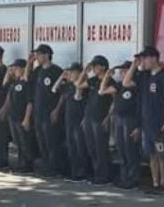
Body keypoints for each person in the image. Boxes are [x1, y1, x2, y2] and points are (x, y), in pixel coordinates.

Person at [123, 46, 164, 195]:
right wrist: (134, 65)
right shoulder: (144, 76)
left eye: (144, 58)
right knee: (152, 154)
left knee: (162, 154)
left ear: (153, 58)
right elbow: (126, 83)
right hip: (147, 123)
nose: (142, 61)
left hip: (159, 123)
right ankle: (155, 183)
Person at [102, 59, 141, 190]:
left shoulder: (135, 84)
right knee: (121, 150)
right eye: (122, 70)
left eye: (125, 70)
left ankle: (133, 179)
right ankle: (124, 178)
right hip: (118, 119)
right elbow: (102, 91)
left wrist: (138, 127)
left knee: (130, 150)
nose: (122, 72)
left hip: (130, 120)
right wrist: (107, 76)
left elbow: (127, 82)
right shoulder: (119, 85)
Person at [27, 44, 65, 176]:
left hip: (50, 112)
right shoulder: (38, 71)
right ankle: (46, 166)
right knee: (41, 141)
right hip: (39, 112)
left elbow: (62, 93)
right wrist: (29, 63)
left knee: (52, 141)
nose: (36, 57)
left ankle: (55, 168)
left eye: (38, 54)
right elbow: (27, 79)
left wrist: (57, 110)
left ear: (46, 55)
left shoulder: (56, 71)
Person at [55, 62, 89, 182]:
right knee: (71, 146)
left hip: (78, 119)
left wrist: (83, 73)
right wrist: (62, 77)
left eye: (72, 72)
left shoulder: (82, 85)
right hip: (69, 119)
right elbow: (54, 89)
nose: (70, 74)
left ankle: (82, 172)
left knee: (80, 146)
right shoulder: (68, 86)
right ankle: (74, 171)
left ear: (79, 73)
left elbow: (78, 95)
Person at [82, 55, 113, 185]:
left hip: (100, 119)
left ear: (103, 67)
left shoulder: (110, 82)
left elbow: (114, 102)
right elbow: (78, 84)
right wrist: (85, 71)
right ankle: (96, 174)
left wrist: (107, 118)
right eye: (93, 66)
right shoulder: (93, 80)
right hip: (89, 118)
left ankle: (104, 176)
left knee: (101, 149)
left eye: (96, 66)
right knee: (91, 148)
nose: (93, 68)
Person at [1, 59, 35, 174]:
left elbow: (30, 102)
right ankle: (21, 163)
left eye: (16, 68)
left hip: (22, 116)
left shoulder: (26, 83)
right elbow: (4, 85)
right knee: (18, 142)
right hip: (13, 116)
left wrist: (27, 118)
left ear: (22, 69)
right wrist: (8, 73)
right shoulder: (14, 83)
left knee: (25, 141)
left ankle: (28, 164)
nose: (14, 71)